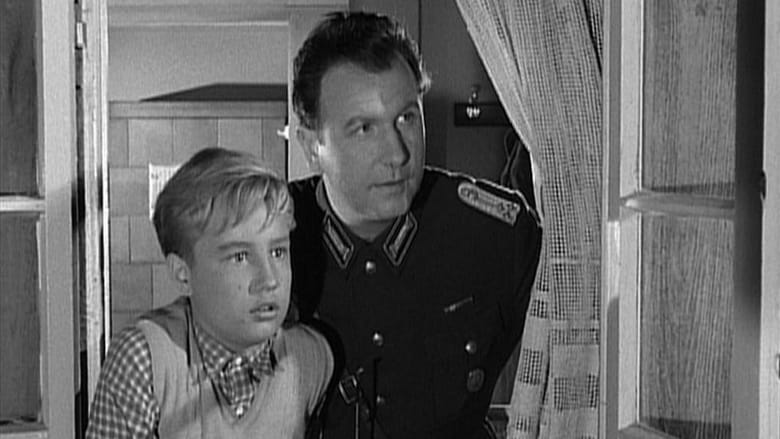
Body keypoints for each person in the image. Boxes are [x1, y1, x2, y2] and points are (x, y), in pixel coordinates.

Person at [289, 11, 543, 439]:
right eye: (364, 128)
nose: (397, 154)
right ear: (312, 145)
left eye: (407, 118)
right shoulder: (266, 239)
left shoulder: (494, 236)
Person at [86, 148, 333, 438]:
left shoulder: (312, 358)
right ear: (183, 273)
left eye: (278, 252)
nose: (269, 280)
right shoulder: (145, 362)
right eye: (240, 257)